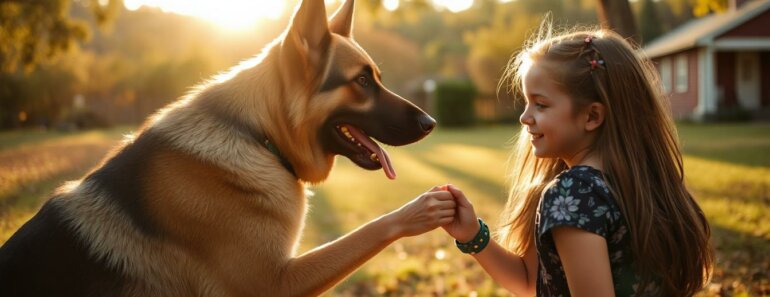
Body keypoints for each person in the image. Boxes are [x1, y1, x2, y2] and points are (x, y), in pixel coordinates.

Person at [437, 27, 714, 296]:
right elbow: (530, 282)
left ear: (592, 116)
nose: (524, 117)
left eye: (541, 104)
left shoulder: (573, 194)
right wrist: (473, 236)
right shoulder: (644, 182)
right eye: (525, 102)